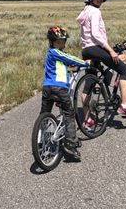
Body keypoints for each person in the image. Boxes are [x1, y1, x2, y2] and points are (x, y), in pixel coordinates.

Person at [76, 0, 126, 128]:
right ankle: (124, 105)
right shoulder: (95, 12)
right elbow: (96, 34)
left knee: (89, 83)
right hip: (95, 48)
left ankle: (86, 119)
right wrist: (110, 50)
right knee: (124, 71)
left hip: (86, 50)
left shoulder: (86, 10)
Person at [41, 25, 87, 160]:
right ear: (51, 42)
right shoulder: (55, 52)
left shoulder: (49, 54)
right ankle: (70, 145)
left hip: (47, 88)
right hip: (59, 88)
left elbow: (57, 64)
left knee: (45, 114)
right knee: (69, 113)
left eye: (62, 42)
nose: (61, 44)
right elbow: (70, 59)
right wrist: (86, 63)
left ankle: (42, 140)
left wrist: (67, 67)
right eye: (58, 42)